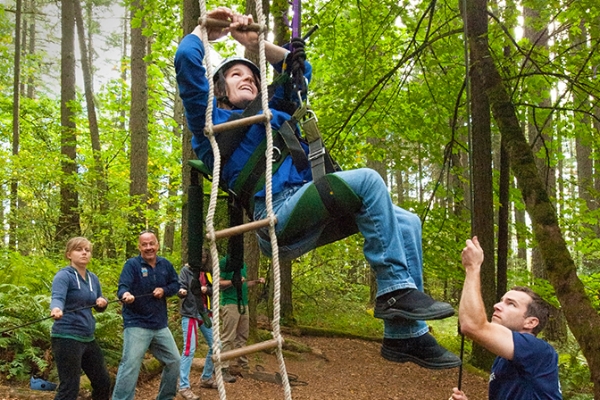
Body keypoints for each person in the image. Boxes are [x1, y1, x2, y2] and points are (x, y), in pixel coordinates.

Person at [175, 7, 460, 369]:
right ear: (220, 89)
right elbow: (186, 60)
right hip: (274, 217)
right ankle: (395, 291)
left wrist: (256, 44)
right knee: (369, 180)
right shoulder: (211, 126)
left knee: (408, 223)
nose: (247, 78)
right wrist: (208, 29)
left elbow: (298, 72)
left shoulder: (273, 114)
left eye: (253, 76)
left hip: (308, 207)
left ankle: (405, 335)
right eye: (235, 74)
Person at [451, 236, 562, 400]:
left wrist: (472, 267)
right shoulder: (502, 359)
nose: (497, 305)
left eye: (511, 304)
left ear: (531, 322)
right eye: (501, 300)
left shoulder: (537, 350)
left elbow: (472, 325)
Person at [112, 231, 181, 400]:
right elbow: (122, 287)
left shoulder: (165, 264)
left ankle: (165, 397)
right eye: (144, 244)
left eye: (151, 243)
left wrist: (164, 290)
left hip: (159, 325)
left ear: (157, 245)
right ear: (139, 247)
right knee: (130, 365)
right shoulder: (132, 265)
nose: (148, 247)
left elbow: (175, 284)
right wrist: (125, 295)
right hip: (136, 323)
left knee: (174, 362)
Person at [50, 237, 112, 400]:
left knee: (103, 382)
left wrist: (102, 302)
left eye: (87, 250)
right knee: (69, 387)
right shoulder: (63, 276)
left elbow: (99, 304)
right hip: (66, 337)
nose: (84, 252)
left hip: (87, 337)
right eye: (79, 249)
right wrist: (56, 309)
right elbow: (57, 298)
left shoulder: (93, 278)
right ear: (69, 254)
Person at [178, 249, 217, 400]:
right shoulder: (186, 271)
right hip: (190, 314)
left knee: (216, 345)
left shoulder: (207, 273)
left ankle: (206, 377)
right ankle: (183, 386)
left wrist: (206, 289)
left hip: (205, 313)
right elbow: (180, 286)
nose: (202, 259)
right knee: (190, 349)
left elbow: (214, 289)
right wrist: (181, 291)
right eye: (199, 256)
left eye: (204, 257)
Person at [219, 256, 265, 382]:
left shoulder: (243, 264)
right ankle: (222, 368)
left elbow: (243, 283)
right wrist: (233, 281)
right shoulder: (225, 262)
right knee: (228, 337)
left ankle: (242, 365)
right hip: (230, 303)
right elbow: (218, 283)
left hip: (243, 304)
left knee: (243, 336)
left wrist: (255, 282)